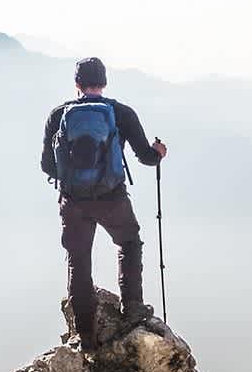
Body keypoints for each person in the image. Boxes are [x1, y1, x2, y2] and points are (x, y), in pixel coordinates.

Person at [41, 57, 167, 351]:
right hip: (112, 198)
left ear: (77, 84)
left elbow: (47, 165)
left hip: (73, 203)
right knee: (129, 242)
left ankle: (86, 337)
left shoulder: (58, 115)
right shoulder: (121, 113)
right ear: (105, 82)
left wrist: (73, 178)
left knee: (79, 262)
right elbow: (146, 157)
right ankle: (132, 307)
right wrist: (157, 152)